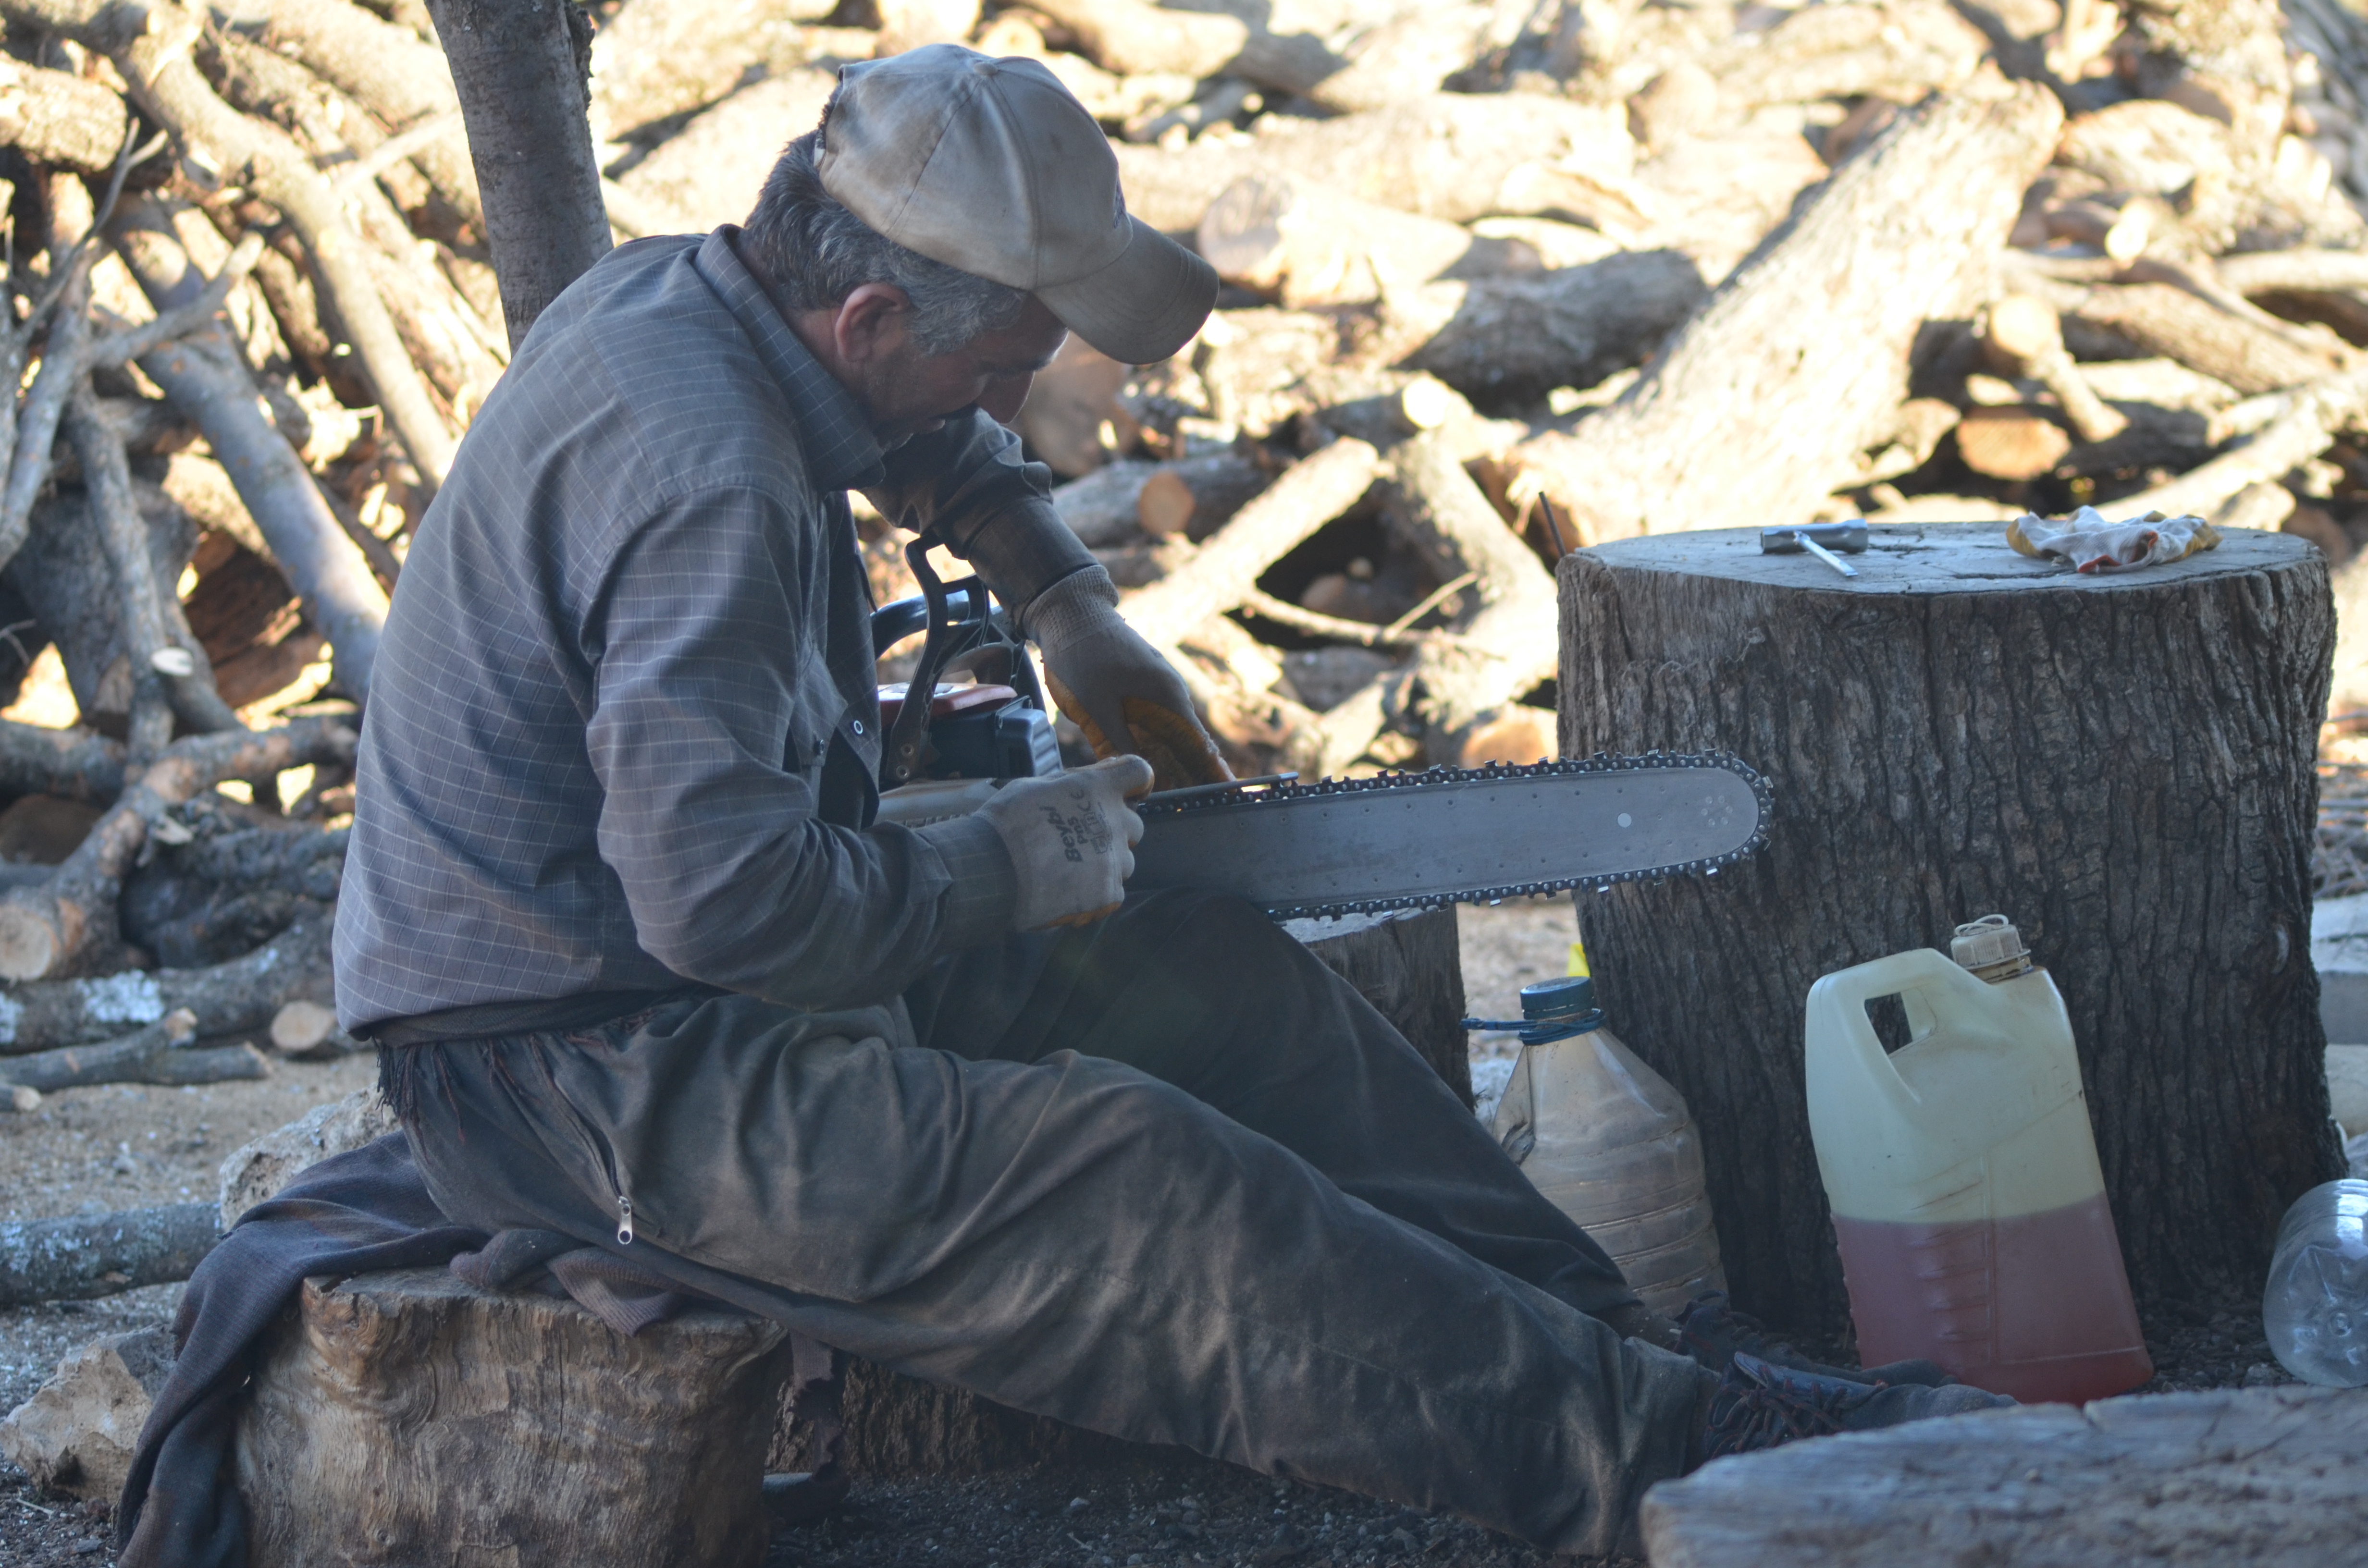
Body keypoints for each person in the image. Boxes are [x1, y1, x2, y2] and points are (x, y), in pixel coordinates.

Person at [333, 44, 2006, 1556]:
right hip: (582, 1073)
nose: (1012, 405)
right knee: (1133, 1176)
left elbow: (916, 440)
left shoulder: (705, 302)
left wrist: (1072, 608)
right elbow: (730, 908)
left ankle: (1610, 1341)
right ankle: (1661, 1460)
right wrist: (997, 865)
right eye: (1002, 369)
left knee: (1214, 984)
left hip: (679, 977)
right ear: (874, 318)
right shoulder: (710, 485)